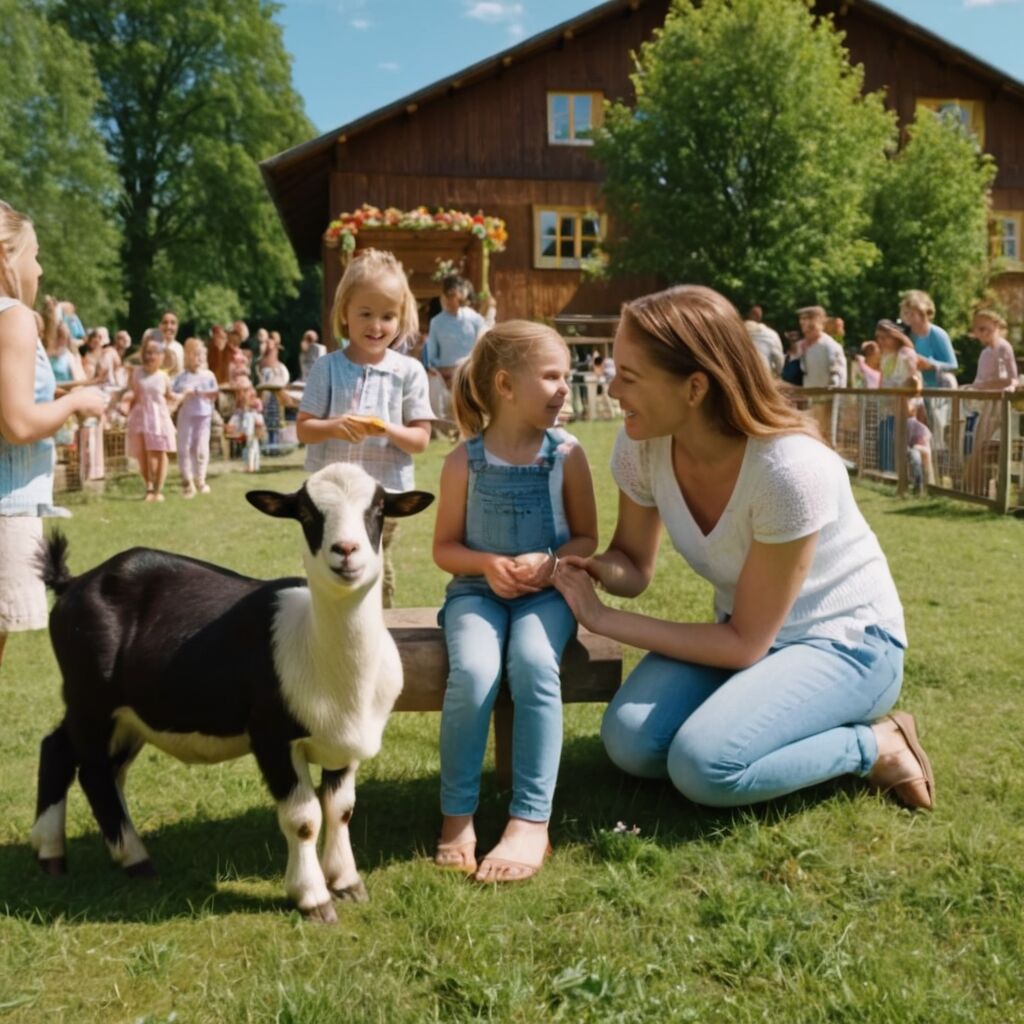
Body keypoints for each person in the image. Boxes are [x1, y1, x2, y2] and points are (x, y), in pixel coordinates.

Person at [552, 284, 934, 820]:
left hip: (846, 645)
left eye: (630, 377)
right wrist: (582, 568)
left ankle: (875, 745)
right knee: (631, 742)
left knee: (705, 766)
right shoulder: (641, 444)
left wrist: (601, 618)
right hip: (748, 635)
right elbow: (633, 565)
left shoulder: (789, 471)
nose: (613, 389)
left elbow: (742, 644)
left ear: (695, 388)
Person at [432, 320, 598, 883]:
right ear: (505, 385)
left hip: (546, 594)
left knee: (532, 662)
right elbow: (444, 549)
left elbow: (586, 539)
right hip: (476, 594)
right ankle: (457, 816)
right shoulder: (464, 461)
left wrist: (549, 564)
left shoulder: (567, 455)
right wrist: (486, 565)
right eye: (551, 376)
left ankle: (531, 817)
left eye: (567, 376)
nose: (563, 388)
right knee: (475, 672)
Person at [0, 200, 106, 674]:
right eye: (34, 255)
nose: (39, 269)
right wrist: (77, 402)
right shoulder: (13, 318)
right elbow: (18, 424)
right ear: (6, 255)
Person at [297, 248, 433, 607]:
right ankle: (324, 637)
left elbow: (420, 440)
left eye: (388, 316)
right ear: (345, 312)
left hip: (381, 498)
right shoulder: (326, 368)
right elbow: (304, 429)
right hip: (331, 499)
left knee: (373, 569)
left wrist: (387, 428)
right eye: (366, 314)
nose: (376, 326)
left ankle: (379, 629)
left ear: (402, 317)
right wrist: (334, 427)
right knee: (327, 571)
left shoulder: (409, 372)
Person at [962, 308, 1018, 496]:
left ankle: (973, 487)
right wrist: (974, 386)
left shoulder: (1003, 348)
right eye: (979, 329)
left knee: (982, 445)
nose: (982, 333)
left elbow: (1010, 379)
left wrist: (980, 386)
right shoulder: (987, 351)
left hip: (996, 404)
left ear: (996, 325)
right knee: (975, 443)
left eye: (985, 328)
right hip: (984, 402)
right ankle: (975, 487)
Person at [120, 333, 179, 501]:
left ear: (161, 357)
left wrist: (175, 400)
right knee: (141, 454)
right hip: (140, 416)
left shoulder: (163, 376)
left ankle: (158, 490)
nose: (150, 356)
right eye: (147, 352)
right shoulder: (136, 373)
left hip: (158, 418)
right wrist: (124, 402)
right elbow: (131, 391)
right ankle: (149, 487)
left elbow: (169, 395)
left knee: (159, 453)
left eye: (154, 353)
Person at [424, 275, 490, 421]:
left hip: (467, 371)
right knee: (433, 384)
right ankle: (441, 424)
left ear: (461, 296)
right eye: (445, 296)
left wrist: (464, 368)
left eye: (452, 296)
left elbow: (480, 350)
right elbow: (432, 355)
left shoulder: (475, 320)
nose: (448, 300)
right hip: (443, 373)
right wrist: (439, 370)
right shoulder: (437, 322)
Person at [172, 337, 219, 497]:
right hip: (187, 415)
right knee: (185, 447)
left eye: (201, 355)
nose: (198, 359)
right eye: (195, 355)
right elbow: (173, 394)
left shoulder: (208, 375)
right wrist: (183, 394)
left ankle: (201, 479)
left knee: (201, 448)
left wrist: (201, 393)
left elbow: (214, 394)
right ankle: (187, 481)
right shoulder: (181, 377)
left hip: (204, 416)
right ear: (187, 356)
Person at [899, 290, 957, 388]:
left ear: (923, 314)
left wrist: (930, 365)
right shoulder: (908, 335)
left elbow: (953, 365)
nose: (907, 316)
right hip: (915, 390)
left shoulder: (937, 334)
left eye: (911, 313)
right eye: (905, 313)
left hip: (938, 392)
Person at [226, 384, 265, 473]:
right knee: (252, 445)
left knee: (252, 445)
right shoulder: (242, 408)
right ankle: (252, 465)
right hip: (249, 427)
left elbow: (257, 410)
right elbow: (237, 415)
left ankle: (251, 466)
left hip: (253, 427)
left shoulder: (254, 404)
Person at [744, 305, 785, 377]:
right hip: (763, 377)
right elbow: (779, 360)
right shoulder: (771, 334)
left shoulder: (735, 331)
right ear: (760, 316)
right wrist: (778, 375)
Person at [159, 310, 184, 377]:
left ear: (177, 327)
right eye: (165, 322)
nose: (168, 327)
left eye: (173, 323)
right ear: (159, 325)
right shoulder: (152, 346)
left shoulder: (179, 348)